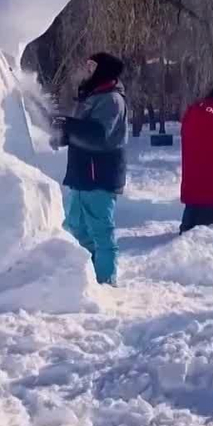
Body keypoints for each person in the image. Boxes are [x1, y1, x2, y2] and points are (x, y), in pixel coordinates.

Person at [55, 53, 129, 285]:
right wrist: (64, 134)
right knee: (76, 225)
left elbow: (99, 134)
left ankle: (106, 280)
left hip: (100, 174)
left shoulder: (111, 99)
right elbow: (83, 132)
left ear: (103, 70)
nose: (88, 70)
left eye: (92, 66)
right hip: (82, 173)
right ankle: (87, 275)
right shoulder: (94, 96)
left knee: (100, 231)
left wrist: (70, 127)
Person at [179, 87, 213, 232]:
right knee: (211, 197)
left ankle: (187, 225)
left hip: (192, 164)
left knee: (193, 198)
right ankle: (208, 228)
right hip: (211, 167)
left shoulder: (192, 111)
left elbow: (183, 133)